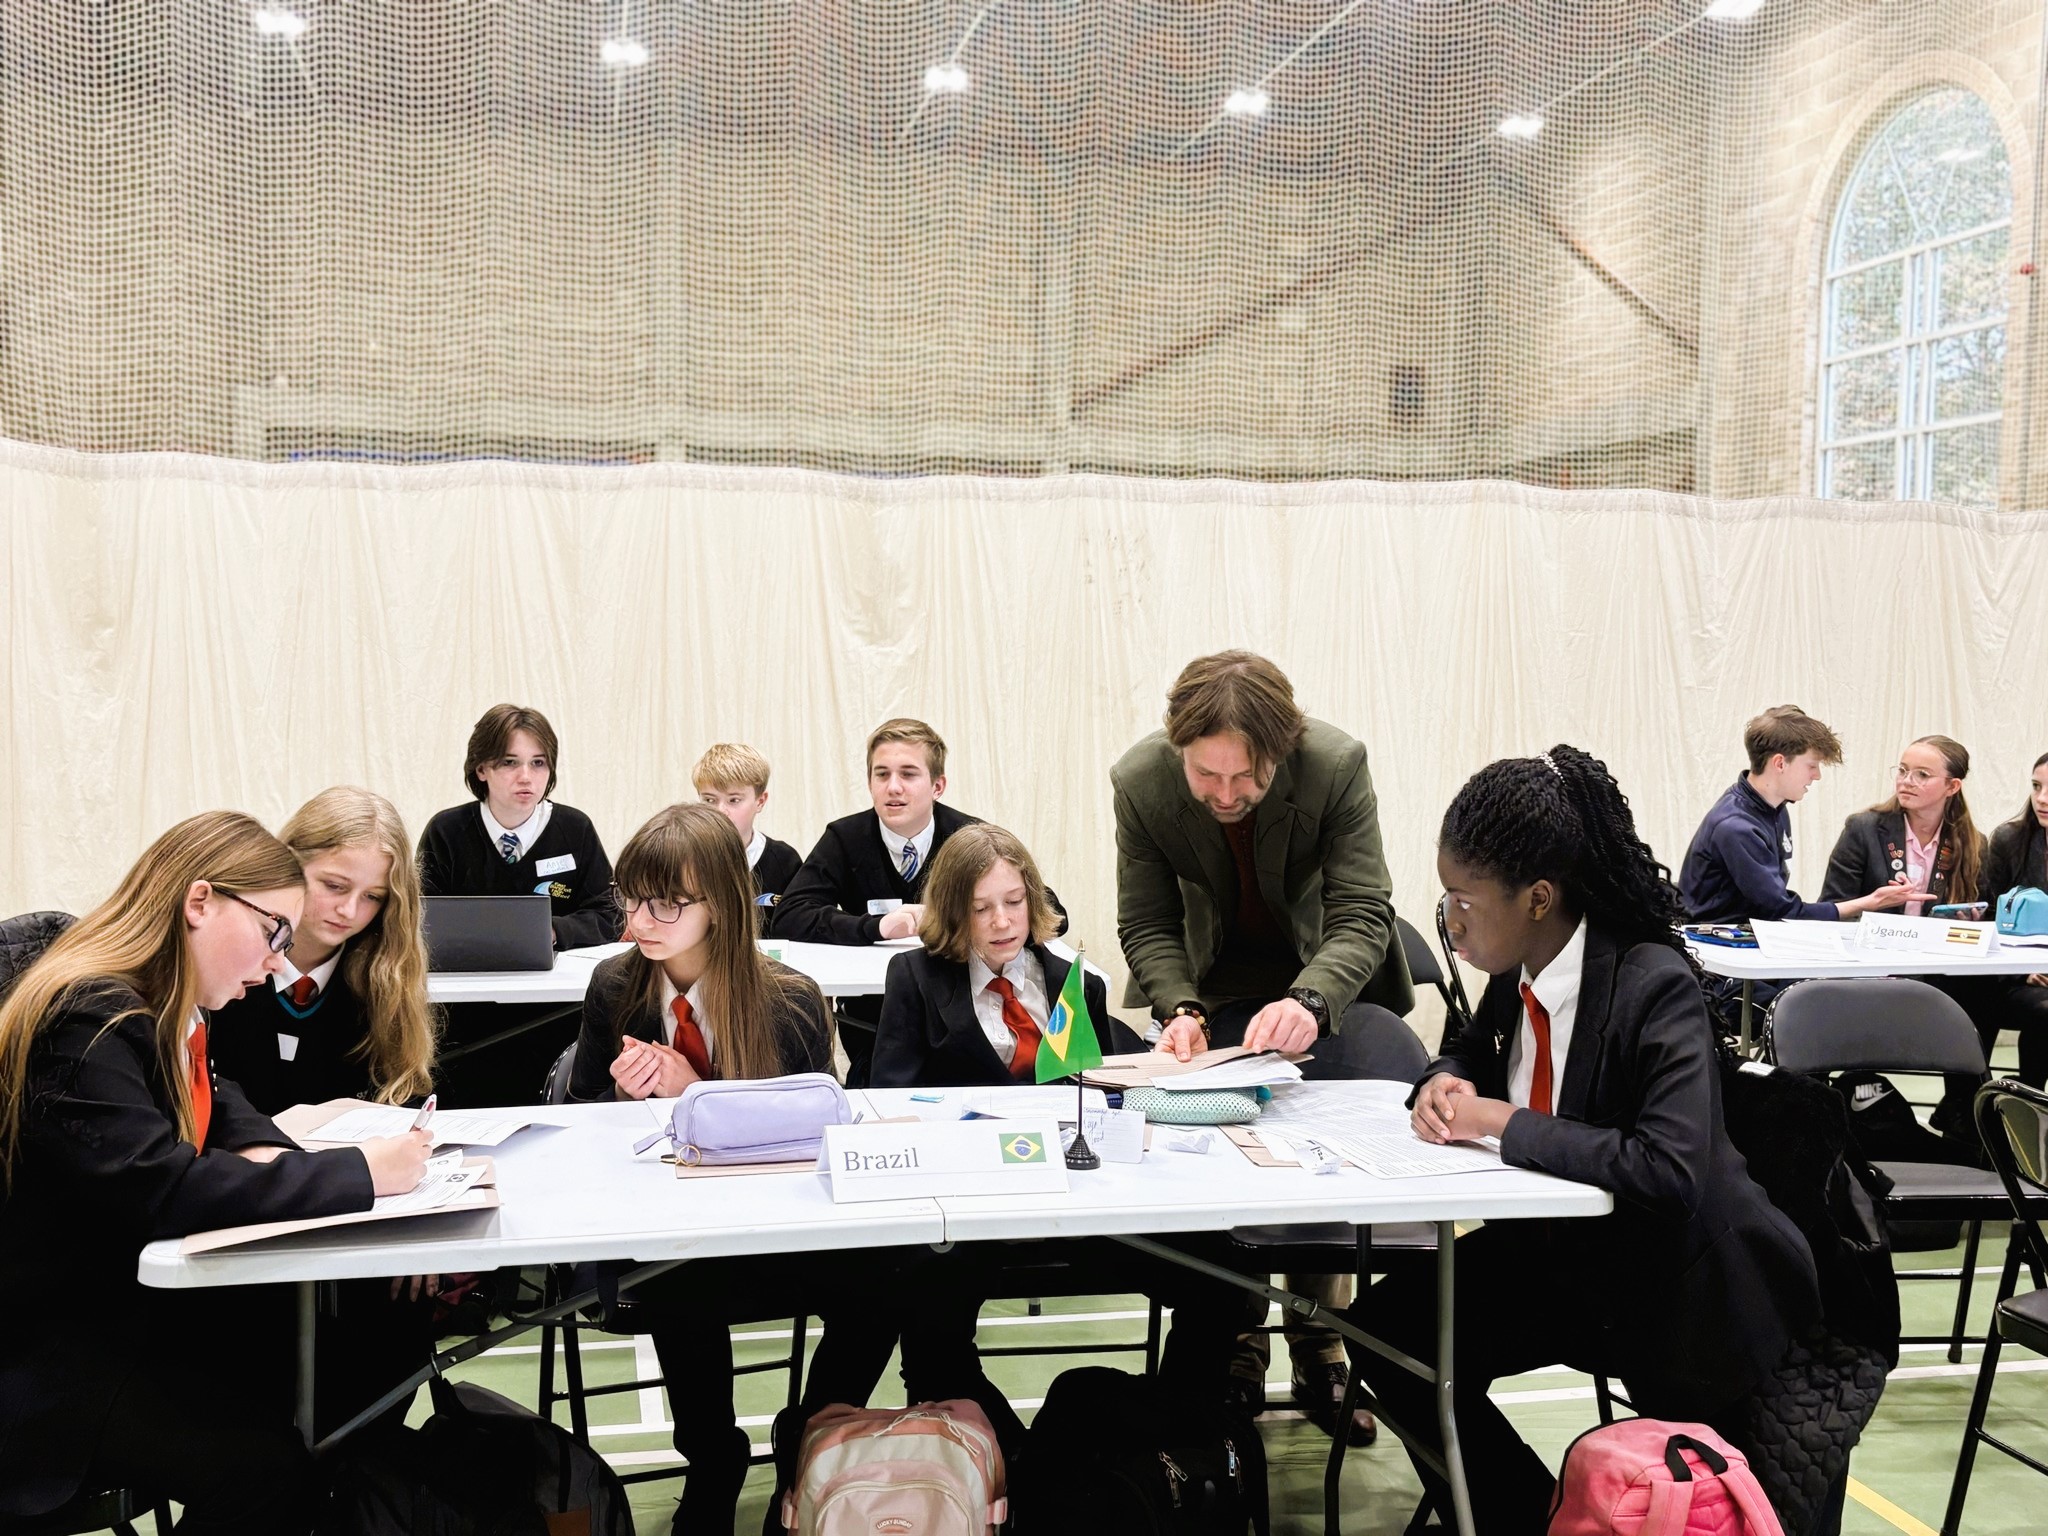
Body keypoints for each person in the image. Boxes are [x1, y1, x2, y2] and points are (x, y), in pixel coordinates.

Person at [1351, 747, 1820, 1535]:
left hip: (1684, 1288)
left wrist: (1499, 1123)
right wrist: (1446, 1075)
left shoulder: (1650, 984)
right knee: (1383, 1335)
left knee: (1710, 1506)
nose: (1452, 922)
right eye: (1446, 900)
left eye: (1465, 901)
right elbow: (1475, 1043)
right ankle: (1534, 1519)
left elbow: (1667, 1171)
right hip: (1572, 1260)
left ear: (1538, 897)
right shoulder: (1519, 968)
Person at [0, 811, 429, 1533]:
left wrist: (272, 1153)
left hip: (111, 1319)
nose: (272, 962)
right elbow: (161, 1188)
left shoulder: (152, 1003)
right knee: (265, 1471)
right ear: (200, 901)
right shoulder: (88, 1017)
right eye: (273, 934)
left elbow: (217, 1097)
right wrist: (357, 1173)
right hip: (49, 1357)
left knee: (302, 1404)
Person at [1112, 650, 1417, 1445]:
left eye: (1241, 779)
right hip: (1213, 987)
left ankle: (1321, 1343)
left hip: (1323, 977)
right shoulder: (1139, 782)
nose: (1221, 795)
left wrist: (1312, 998)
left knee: (1322, 1156)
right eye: (1204, 776)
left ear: (1281, 752)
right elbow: (1145, 921)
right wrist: (1178, 1006)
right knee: (1225, 1159)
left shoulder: (1336, 765)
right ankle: (1238, 1346)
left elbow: (1362, 907)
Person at [869, 823, 1250, 1459]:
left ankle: (1170, 1438)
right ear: (952, 909)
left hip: (1078, 1203)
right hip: (973, 1213)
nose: (1000, 922)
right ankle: (1022, 1464)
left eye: (1014, 901)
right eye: (980, 907)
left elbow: (1100, 1096)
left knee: (1222, 1273)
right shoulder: (913, 979)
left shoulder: (1077, 982)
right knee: (926, 1308)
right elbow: (891, 1101)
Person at [566, 803, 895, 1536]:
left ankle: (808, 1440)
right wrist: (621, 1105)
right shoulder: (615, 987)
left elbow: (818, 1135)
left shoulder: (791, 999)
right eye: (631, 898)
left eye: (666, 903)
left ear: (720, 904)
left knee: (887, 1276)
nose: (640, 920)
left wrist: (699, 1096)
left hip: (777, 1231)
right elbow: (577, 1124)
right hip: (674, 1235)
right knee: (678, 1277)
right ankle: (713, 1462)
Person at [208, 786, 443, 1437]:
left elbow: (411, 1110)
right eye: (333, 885)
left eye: (374, 898)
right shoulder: (217, 970)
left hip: (354, 1215)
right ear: (286, 866)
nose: (350, 911)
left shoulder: (386, 978)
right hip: (241, 1215)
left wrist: (424, 1225)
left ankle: (353, 1479)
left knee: (397, 1328)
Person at [772, 717, 1063, 1085]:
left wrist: (964, 914)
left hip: (962, 1024)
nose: (893, 787)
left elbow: (1049, 909)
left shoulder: (968, 836)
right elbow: (791, 914)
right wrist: (875, 926)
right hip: (876, 1026)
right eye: (882, 775)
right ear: (869, 783)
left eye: (908, 774)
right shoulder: (845, 838)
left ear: (938, 785)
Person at [417, 703, 619, 1103]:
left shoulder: (574, 829)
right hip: (462, 1015)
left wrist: (553, 932)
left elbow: (608, 914)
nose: (526, 777)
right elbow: (418, 919)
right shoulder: (447, 832)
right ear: (482, 769)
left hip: (553, 1012)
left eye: (538, 763)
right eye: (510, 762)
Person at [1679, 705, 1919, 926]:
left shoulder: (1774, 808)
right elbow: (1780, 910)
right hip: (1715, 949)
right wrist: (1868, 902)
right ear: (1780, 764)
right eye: (1812, 766)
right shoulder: (1736, 827)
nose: (1816, 776)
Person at [1820, 735, 1985, 918]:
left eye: (1922, 774)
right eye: (1902, 770)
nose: (1906, 781)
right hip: (1869, 943)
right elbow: (1833, 905)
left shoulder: (1973, 842)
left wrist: (1972, 923)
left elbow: (1987, 912)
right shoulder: (1863, 829)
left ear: (1952, 787)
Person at [693, 741, 803, 921]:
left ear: (760, 801)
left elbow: (797, 926)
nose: (720, 811)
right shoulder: (679, 858)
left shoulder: (784, 861)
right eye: (709, 800)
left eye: (734, 800)